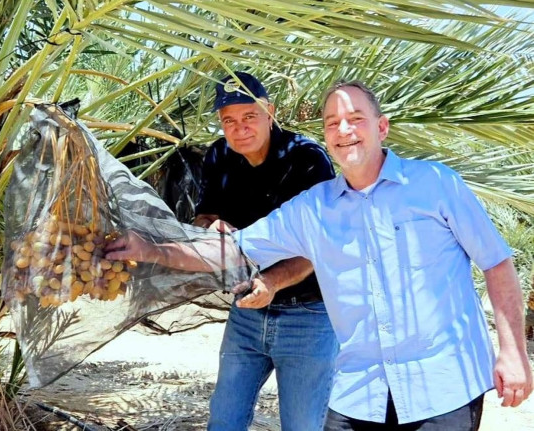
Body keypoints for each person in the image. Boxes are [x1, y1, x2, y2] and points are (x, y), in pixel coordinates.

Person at [108, 80, 533, 430]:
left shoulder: (436, 185)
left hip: (440, 388)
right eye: (333, 122)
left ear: (381, 127)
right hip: (359, 394)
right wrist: (150, 249)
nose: (344, 129)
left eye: (355, 119)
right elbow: (232, 248)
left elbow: (495, 261)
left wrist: (513, 352)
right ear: (327, 135)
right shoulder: (314, 207)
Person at [194, 71, 338, 431]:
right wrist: (210, 228)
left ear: (269, 112)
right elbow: (205, 215)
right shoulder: (219, 156)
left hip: (308, 315)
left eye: (249, 116)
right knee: (223, 420)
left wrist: (271, 282)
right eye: (229, 120)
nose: (239, 128)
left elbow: (318, 245)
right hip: (246, 309)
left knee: (303, 424)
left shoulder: (307, 160)